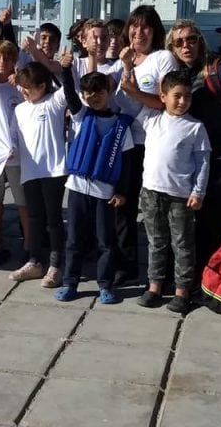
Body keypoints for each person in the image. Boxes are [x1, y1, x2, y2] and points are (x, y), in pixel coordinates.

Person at [165, 19, 221, 292]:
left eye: (191, 39)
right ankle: (185, 278)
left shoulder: (217, 68)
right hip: (191, 160)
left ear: (200, 41)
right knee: (185, 224)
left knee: (213, 225)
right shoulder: (179, 75)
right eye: (179, 42)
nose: (186, 45)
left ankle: (207, 282)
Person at [54, 71, 134, 304]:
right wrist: (66, 71)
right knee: (74, 240)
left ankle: (105, 285)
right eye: (88, 92)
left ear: (109, 92)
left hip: (104, 193)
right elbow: (69, 94)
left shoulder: (122, 127)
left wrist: (121, 192)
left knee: (105, 242)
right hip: (78, 189)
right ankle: (70, 283)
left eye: (98, 91)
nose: (93, 96)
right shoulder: (80, 116)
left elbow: (127, 164)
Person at [136, 70, 211, 313]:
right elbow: (128, 100)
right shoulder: (152, 120)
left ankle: (182, 290)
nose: (182, 101)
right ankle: (155, 286)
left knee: (182, 243)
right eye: (176, 96)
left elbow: (203, 163)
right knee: (156, 241)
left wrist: (198, 192)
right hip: (151, 193)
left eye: (187, 96)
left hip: (181, 196)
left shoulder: (195, 127)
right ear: (163, 97)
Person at [115, 5, 179, 286]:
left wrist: (134, 92)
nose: (138, 32)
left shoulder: (163, 58)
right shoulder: (124, 60)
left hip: (155, 143)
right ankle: (126, 265)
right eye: (134, 26)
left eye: (145, 27)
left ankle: (163, 270)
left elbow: (167, 102)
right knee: (123, 206)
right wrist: (126, 67)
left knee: (157, 210)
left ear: (155, 32)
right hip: (127, 143)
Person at [10, 57, 77, 287]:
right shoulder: (19, 109)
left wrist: (65, 68)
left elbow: (70, 88)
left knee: (53, 219)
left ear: (42, 86)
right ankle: (35, 261)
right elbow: (13, 136)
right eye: (22, 87)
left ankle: (56, 265)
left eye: (28, 88)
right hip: (29, 172)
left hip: (54, 171)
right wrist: (10, 148)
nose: (24, 92)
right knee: (35, 218)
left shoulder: (54, 102)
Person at [0, 40, 30, 268]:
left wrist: (21, 83)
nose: (3, 62)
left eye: (8, 58)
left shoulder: (20, 86)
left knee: (22, 201)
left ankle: (29, 246)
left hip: (18, 153)